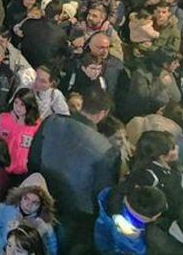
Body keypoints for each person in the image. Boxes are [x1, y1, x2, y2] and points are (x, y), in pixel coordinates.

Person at [28, 89, 119, 251]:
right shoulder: (107, 150)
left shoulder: (52, 121)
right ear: (103, 113)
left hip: (38, 198)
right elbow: (101, 192)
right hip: (73, 215)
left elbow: (33, 160)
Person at [0, 180, 59, 255]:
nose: (28, 205)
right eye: (26, 199)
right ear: (20, 196)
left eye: (35, 203)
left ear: (41, 205)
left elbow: (51, 249)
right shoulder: (5, 209)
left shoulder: (43, 224)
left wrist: (42, 232)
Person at [93, 185, 167, 255]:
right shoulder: (130, 235)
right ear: (154, 217)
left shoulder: (113, 199)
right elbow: (139, 252)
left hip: (102, 238)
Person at [0, 88, 42, 178]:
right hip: (2, 168)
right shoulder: (3, 118)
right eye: (16, 102)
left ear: (29, 105)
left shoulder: (36, 125)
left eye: (22, 104)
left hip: (23, 172)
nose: (18, 107)